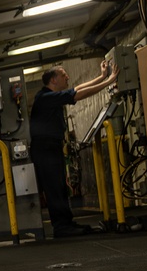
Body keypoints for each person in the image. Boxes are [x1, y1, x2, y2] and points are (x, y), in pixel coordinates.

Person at [30, 61, 119, 238]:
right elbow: (78, 94)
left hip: (51, 149)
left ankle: (66, 223)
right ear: (54, 80)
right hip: (45, 150)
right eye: (64, 75)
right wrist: (108, 82)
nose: (67, 77)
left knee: (60, 187)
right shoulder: (45, 98)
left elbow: (77, 88)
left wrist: (101, 77)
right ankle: (61, 227)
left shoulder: (50, 96)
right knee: (55, 188)